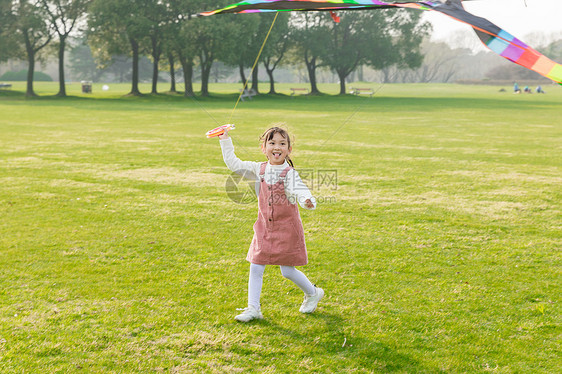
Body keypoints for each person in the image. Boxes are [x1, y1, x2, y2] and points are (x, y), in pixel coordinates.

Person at [218, 126, 324, 322]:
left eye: (282, 144)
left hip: (287, 229)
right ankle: (253, 309)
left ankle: (313, 293)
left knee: (287, 270)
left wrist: (308, 201)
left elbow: (301, 191)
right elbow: (234, 164)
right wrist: (225, 140)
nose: (277, 147)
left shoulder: (289, 173)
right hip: (264, 228)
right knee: (256, 266)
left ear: (289, 149)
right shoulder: (259, 169)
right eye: (272, 143)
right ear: (263, 147)